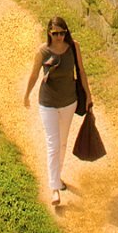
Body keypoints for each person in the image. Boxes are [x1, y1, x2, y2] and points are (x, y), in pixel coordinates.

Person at [21, 16, 90, 206]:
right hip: (48, 103)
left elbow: (81, 72)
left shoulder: (73, 47)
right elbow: (34, 74)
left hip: (69, 102)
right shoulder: (43, 52)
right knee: (53, 143)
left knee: (63, 143)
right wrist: (26, 95)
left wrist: (88, 95)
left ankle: (56, 177)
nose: (59, 37)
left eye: (62, 33)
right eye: (55, 33)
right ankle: (54, 189)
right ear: (49, 33)